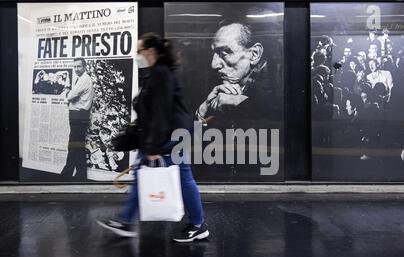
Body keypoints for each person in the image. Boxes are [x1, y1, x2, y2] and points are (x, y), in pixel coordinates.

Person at [97, 33, 209, 242]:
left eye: (139, 51)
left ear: (150, 51)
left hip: (168, 137)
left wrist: (153, 147)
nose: (138, 55)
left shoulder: (161, 73)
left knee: (182, 177)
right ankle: (126, 220)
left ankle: (197, 224)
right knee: (146, 175)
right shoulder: (158, 72)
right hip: (165, 135)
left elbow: (161, 113)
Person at [195, 21, 273, 129]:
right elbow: (197, 137)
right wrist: (205, 108)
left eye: (224, 53)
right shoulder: (218, 89)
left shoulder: (275, 92)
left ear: (255, 54)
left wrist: (241, 105)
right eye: (215, 54)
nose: (214, 65)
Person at [60, 58, 93, 180]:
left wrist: (67, 91)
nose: (76, 69)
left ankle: (66, 174)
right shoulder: (82, 79)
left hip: (79, 116)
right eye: (74, 67)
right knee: (78, 146)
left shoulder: (84, 80)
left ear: (84, 67)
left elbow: (70, 96)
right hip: (78, 116)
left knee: (73, 145)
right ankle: (81, 174)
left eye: (79, 66)